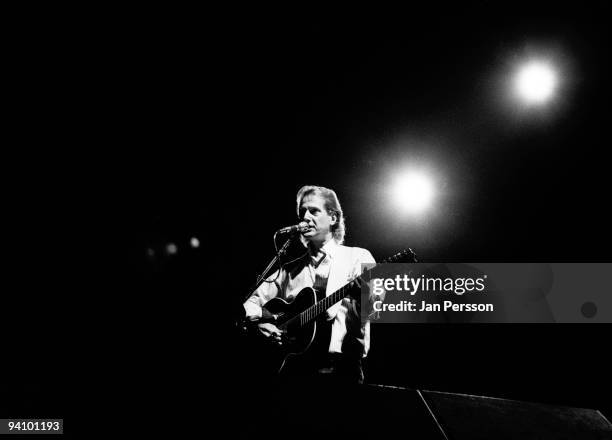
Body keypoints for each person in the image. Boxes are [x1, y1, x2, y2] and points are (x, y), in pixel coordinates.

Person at [243, 185, 376, 384]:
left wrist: (363, 295)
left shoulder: (357, 257)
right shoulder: (288, 269)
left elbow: (376, 305)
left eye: (314, 211)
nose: (305, 217)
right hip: (296, 368)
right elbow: (249, 303)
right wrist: (262, 323)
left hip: (342, 368)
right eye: (302, 212)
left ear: (333, 218)